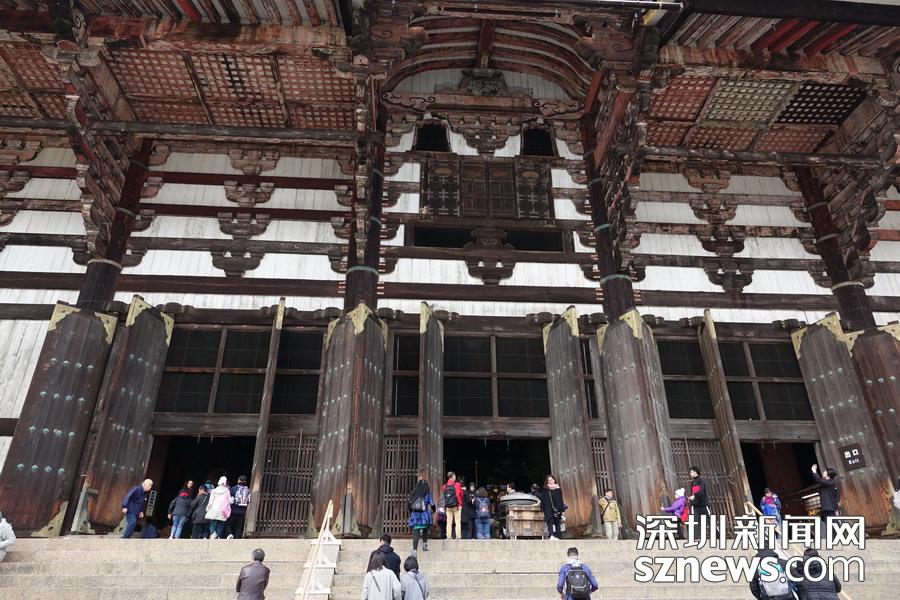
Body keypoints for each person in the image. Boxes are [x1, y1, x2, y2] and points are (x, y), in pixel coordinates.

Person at [407, 479, 435, 554]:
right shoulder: (427, 493)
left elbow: (409, 505)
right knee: (425, 529)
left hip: (415, 516)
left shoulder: (414, 493)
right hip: (424, 516)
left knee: (416, 533)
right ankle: (425, 546)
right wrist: (433, 510)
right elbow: (432, 504)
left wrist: (412, 512)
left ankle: (414, 551)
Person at [541, 474, 566, 540]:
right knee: (550, 521)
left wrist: (562, 509)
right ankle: (551, 534)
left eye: (551, 480)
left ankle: (558, 536)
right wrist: (542, 507)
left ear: (554, 480)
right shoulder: (546, 489)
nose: (550, 481)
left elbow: (560, 499)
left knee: (557, 522)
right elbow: (543, 499)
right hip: (548, 508)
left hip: (557, 507)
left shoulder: (558, 489)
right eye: (549, 480)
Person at [688, 466, 709, 536]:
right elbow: (692, 493)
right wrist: (691, 499)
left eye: (691, 472)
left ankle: (718, 536)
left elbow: (701, 491)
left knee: (709, 520)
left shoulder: (701, 480)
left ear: (695, 472)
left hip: (703, 504)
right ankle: (696, 537)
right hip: (695, 506)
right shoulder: (692, 482)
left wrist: (694, 496)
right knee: (695, 521)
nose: (690, 473)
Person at [441, 471, 463, 540]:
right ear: (453, 476)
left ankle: (448, 536)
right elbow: (459, 495)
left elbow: (444, 497)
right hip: (456, 505)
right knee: (457, 521)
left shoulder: (444, 486)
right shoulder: (457, 485)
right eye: (455, 476)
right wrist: (459, 503)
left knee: (449, 522)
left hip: (448, 506)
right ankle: (458, 536)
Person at [228, 475, 251, 539]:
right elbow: (249, 500)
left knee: (229, 523)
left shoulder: (234, 488)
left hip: (233, 510)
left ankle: (229, 534)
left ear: (238, 481)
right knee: (239, 526)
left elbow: (229, 498)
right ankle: (237, 538)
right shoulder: (248, 490)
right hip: (242, 511)